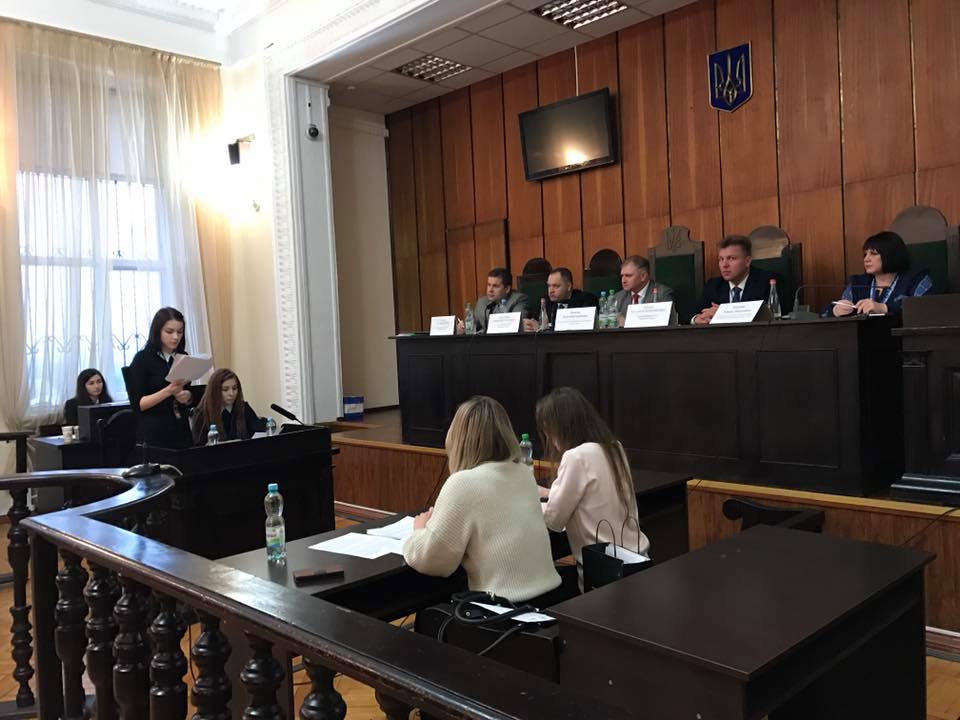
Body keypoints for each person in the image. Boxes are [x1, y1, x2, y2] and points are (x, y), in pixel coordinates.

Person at [403, 395, 564, 604]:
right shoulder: (523, 473)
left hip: (503, 608)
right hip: (549, 599)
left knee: (428, 615)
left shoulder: (462, 483)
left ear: (457, 438)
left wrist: (419, 530)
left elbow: (432, 561)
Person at [536, 387, 649, 592]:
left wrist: (529, 503)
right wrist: (547, 493)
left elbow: (554, 520)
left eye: (548, 431)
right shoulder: (614, 447)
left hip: (605, 573)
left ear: (561, 427)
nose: (549, 438)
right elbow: (594, 495)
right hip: (637, 559)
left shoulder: (575, 457)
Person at [126, 307, 194, 448]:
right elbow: (138, 404)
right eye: (169, 332)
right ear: (157, 331)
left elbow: (186, 391)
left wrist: (186, 396)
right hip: (154, 432)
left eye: (180, 332)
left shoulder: (183, 357)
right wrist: (168, 391)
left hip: (181, 428)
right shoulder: (142, 359)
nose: (175, 337)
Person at [829, 231, 933, 317]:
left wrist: (885, 308)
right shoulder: (858, 283)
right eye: (865, 254)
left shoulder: (917, 279)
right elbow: (826, 312)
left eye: (873, 254)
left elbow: (927, 308)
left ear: (891, 255)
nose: (866, 259)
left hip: (901, 335)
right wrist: (836, 311)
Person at [691, 236, 781, 325]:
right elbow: (693, 314)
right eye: (721, 259)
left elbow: (773, 317)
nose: (724, 265)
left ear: (747, 261)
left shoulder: (768, 282)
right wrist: (696, 319)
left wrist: (724, 314)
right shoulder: (713, 285)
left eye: (731, 258)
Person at [192, 368, 266, 445]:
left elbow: (258, 428)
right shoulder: (201, 414)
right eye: (225, 389)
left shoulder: (243, 407)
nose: (231, 393)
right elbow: (198, 445)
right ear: (215, 391)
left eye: (234, 388)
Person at [522, 268, 598, 332]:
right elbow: (532, 321)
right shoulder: (544, 301)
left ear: (568, 286)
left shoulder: (585, 299)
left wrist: (541, 328)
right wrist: (528, 325)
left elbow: (578, 327)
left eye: (556, 286)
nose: (550, 291)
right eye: (549, 286)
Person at [458, 267, 528, 334]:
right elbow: (473, 327)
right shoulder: (482, 302)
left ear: (507, 289)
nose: (490, 290)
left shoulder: (518, 300)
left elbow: (516, 326)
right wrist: (464, 328)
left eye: (495, 286)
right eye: (489, 285)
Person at [611, 255, 674, 324]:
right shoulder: (618, 297)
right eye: (622, 276)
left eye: (628, 276)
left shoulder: (662, 295)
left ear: (643, 276)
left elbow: (669, 325)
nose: (623, 280)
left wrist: (628, 323)